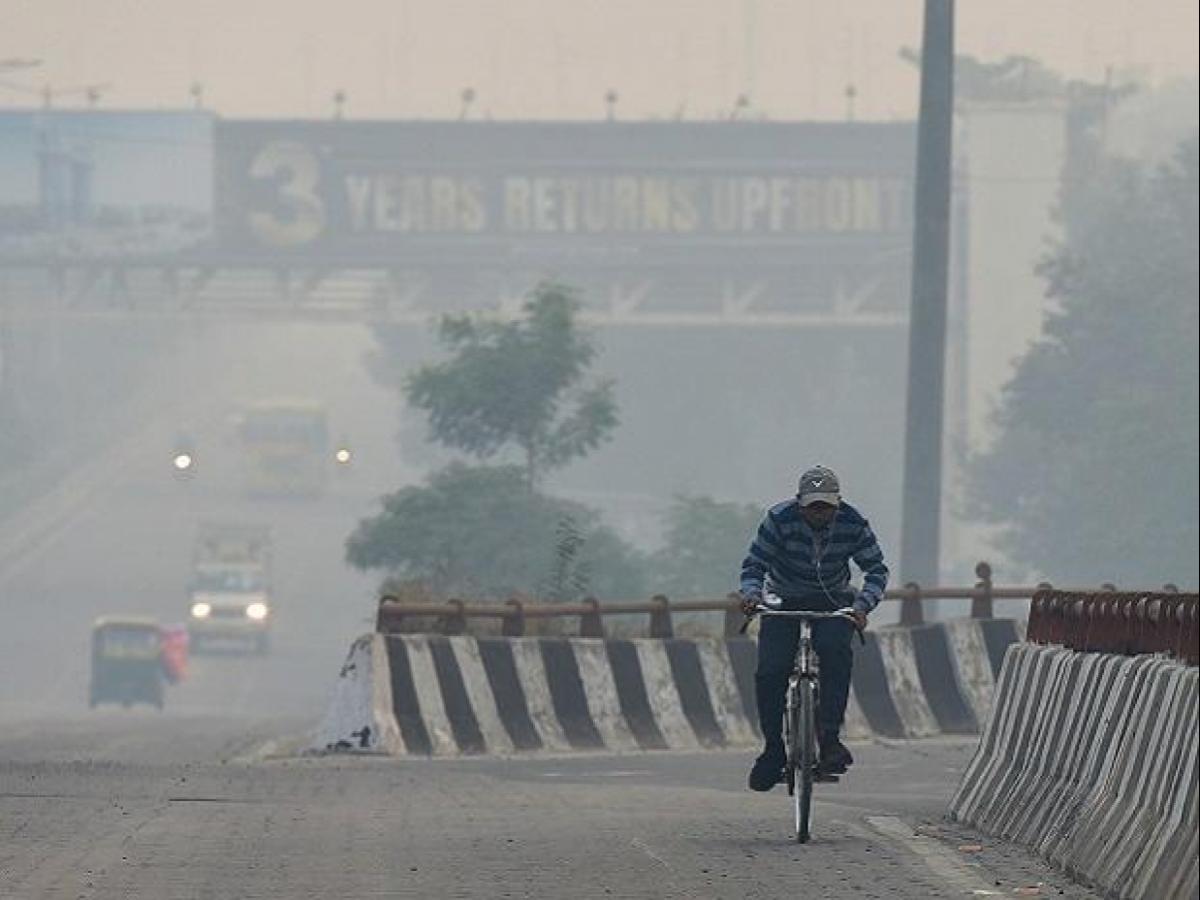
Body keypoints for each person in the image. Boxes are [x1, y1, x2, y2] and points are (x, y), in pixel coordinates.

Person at [739, 465, 889, 791]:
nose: (819, 514)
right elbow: (754, 565)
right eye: (812, 507)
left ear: (838, 503)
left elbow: (876, 570)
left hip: (833, 599)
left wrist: (862, 606)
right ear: (799, 503)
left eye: (826, 507)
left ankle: (830, 737)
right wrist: (751, 595)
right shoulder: (779, 520)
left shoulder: (853, 523)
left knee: (836, 653)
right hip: (784, 599)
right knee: (771, 670)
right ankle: (773, 749)